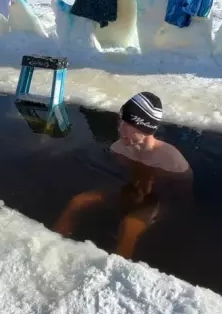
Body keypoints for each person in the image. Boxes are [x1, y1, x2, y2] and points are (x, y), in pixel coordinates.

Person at [53, 92, 192, 258]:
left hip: (156, 201)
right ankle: (52, 246)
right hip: (128, 192)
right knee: (77, 201)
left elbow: (183, 201)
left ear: (144, 127)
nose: (120, 128)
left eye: (126, 124)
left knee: (130, 226)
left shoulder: (172, 160)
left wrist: (162, 214)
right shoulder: (118, 148)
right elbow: (113, 177)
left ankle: (117, 270)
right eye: (120, 122)